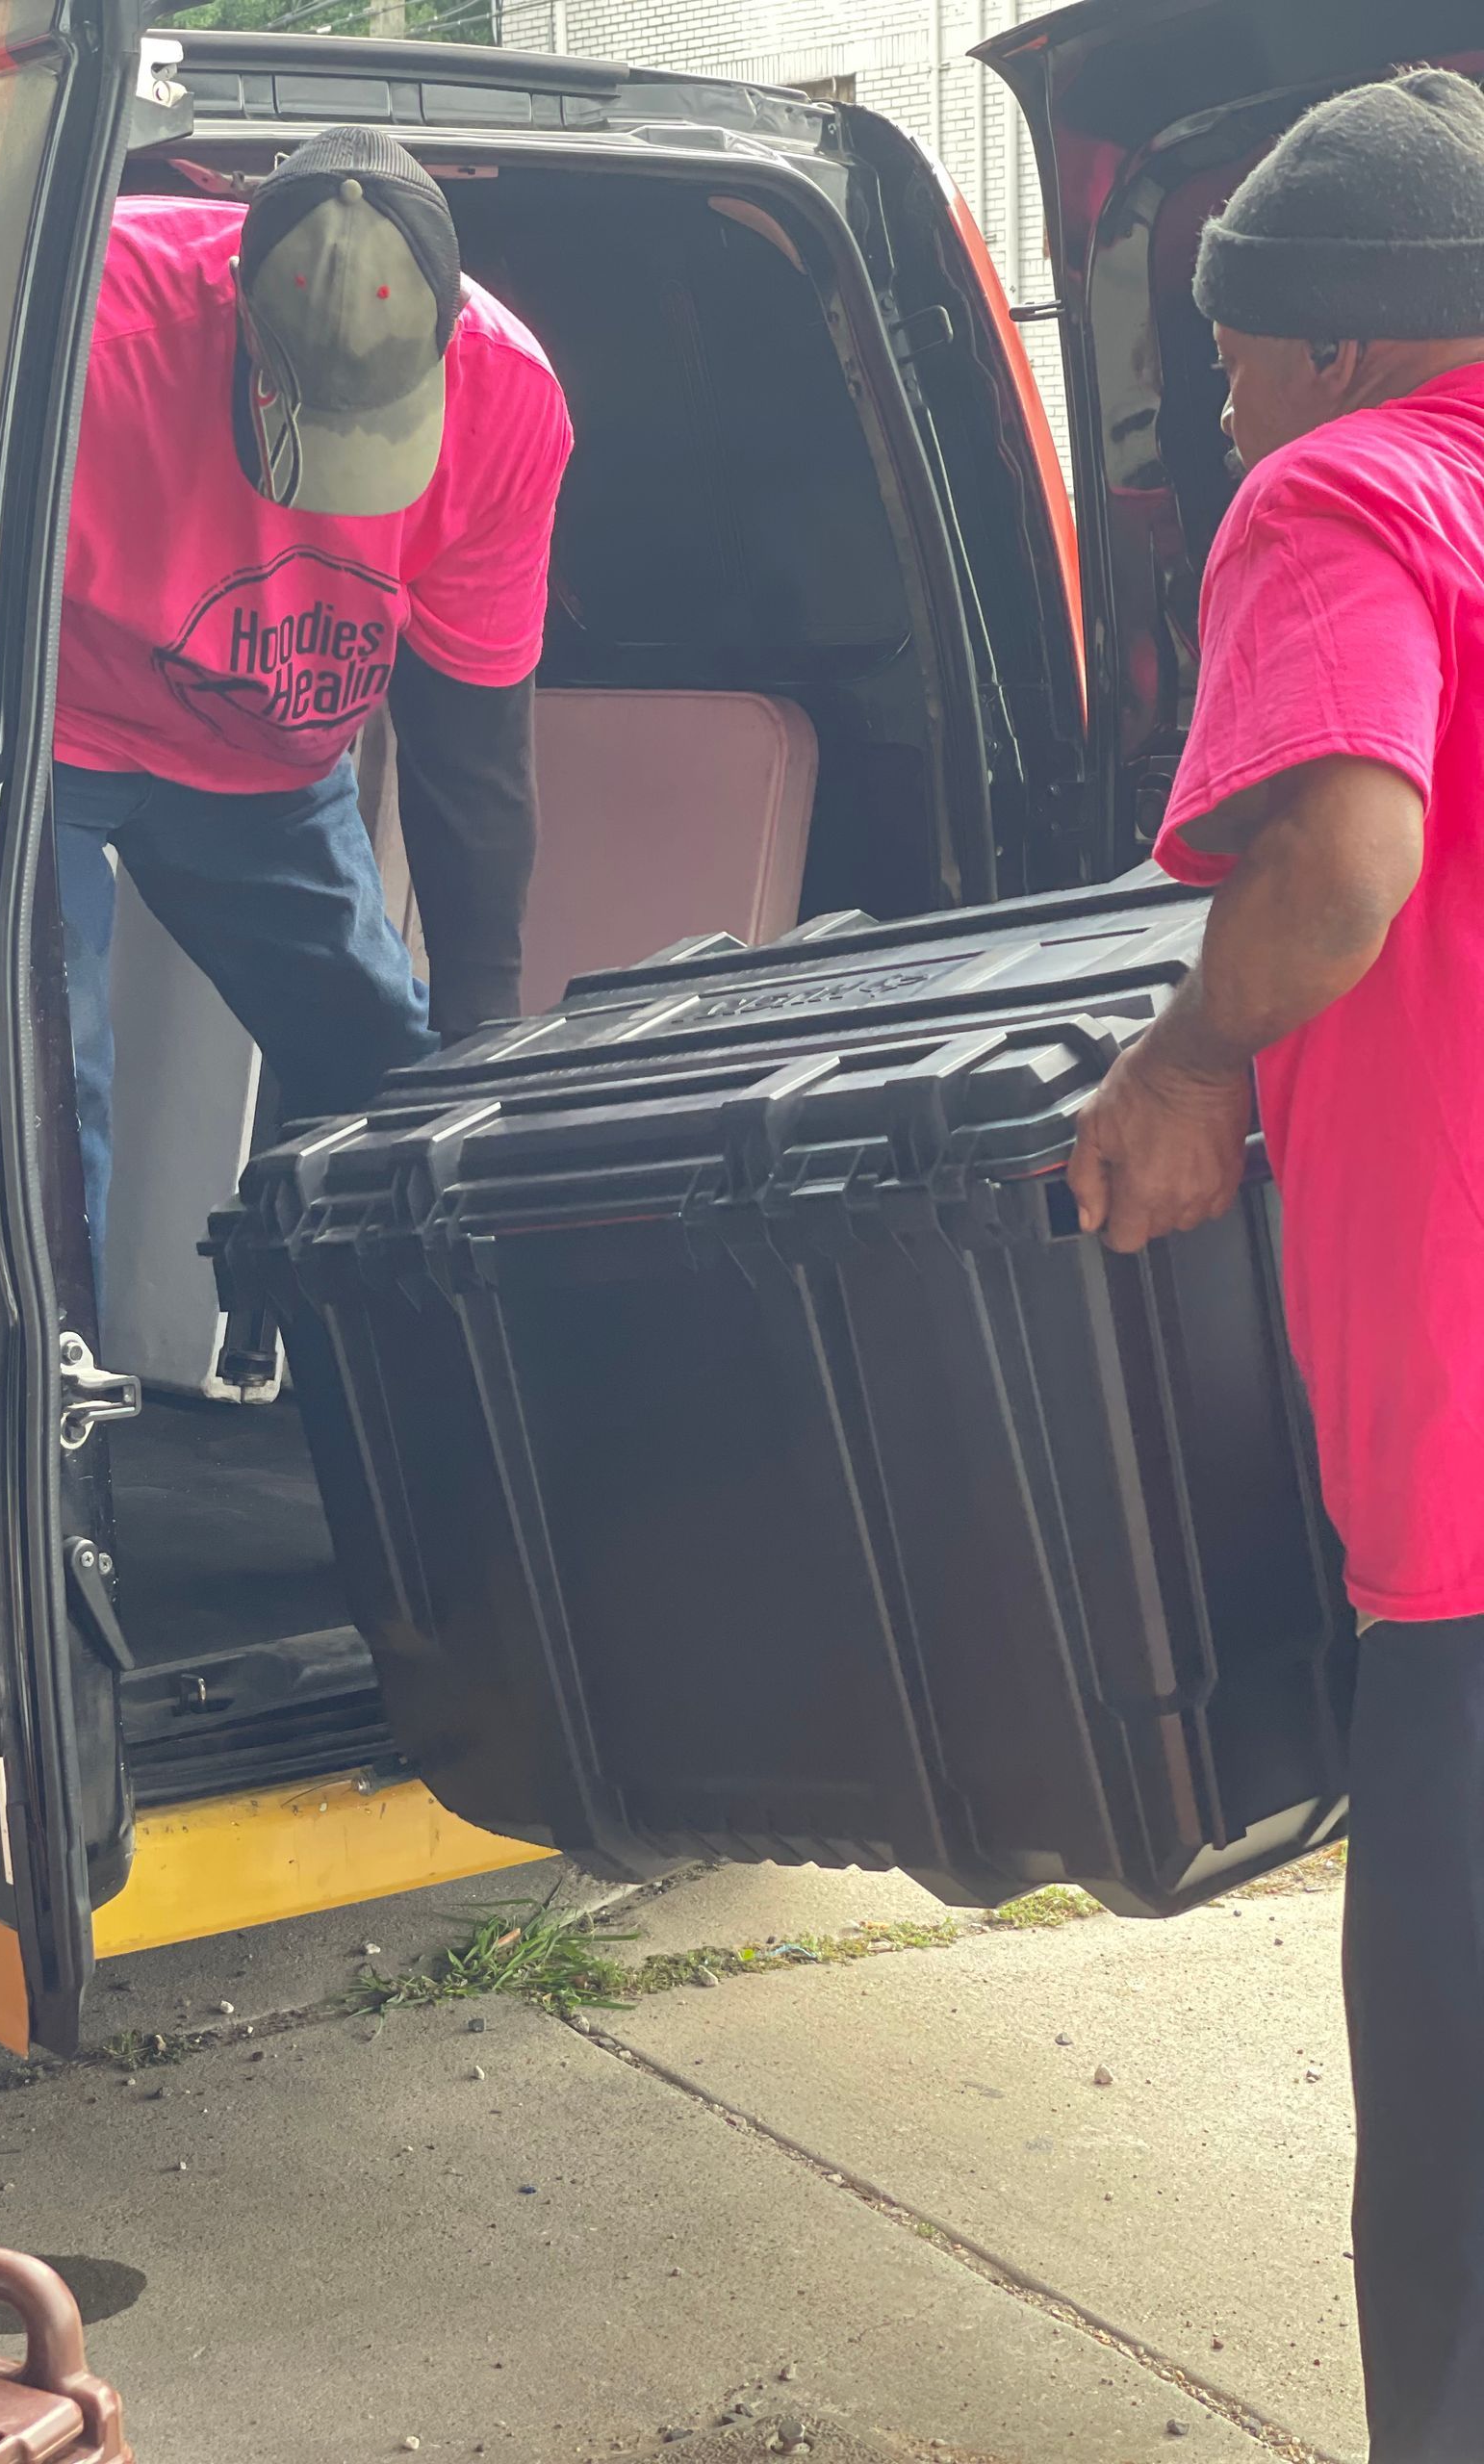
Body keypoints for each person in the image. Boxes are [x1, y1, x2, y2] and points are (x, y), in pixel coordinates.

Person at [1066, 69, 1484, 2464]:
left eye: (1228, 335)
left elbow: (1337, 860)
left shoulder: (1342, 493)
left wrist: (1184, 1058)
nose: (1208, 388)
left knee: (1459, 2188)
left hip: (1469, 1496)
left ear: (1332, 342)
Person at [53, 126, 573, 1296]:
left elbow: (471, 746)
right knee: (41, 1085)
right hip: (55, 735)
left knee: (393, 1071)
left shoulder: (508, 400)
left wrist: (481, 1042)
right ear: (238, 305)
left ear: (449, 330)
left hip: (268, 767)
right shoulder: (80, 332)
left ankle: (403, 1364)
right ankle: (51, 1396)